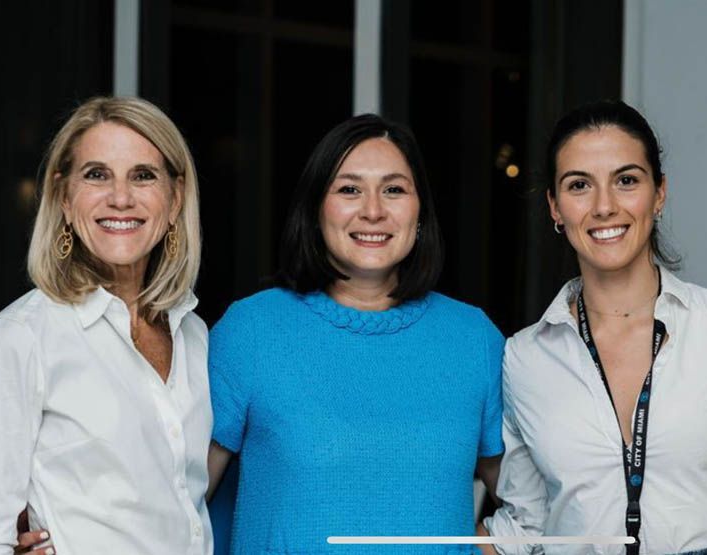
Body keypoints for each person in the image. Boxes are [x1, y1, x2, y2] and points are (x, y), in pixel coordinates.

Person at [483, 100, 707, 555]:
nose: (604, 206)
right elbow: (526, 526)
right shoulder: (525, 356)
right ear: (555, 208)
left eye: (626, 180)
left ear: (659, 193)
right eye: (579, 185)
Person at [204, 113, 505, 554]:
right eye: (349, 189)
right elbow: (178, 500)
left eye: (394, 189)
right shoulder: (252, 330)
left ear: (420, 211)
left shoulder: (473, 339)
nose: (373, 210)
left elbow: (529, 505)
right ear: (315, 208)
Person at [0, 96, 211, 554]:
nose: (121, 198)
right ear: (64, 198)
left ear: (175, 199)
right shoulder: (20, 337)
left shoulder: (192, 331)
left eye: (143, 176)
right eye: (96, 174)